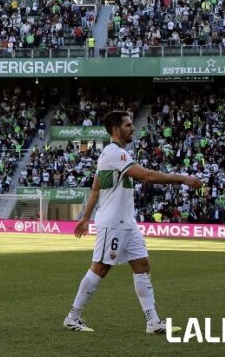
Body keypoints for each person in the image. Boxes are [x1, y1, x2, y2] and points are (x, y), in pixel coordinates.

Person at [63, 110, 203, 334]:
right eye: (128, 125)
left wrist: (85, 217)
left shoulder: (112, 155)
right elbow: (146, 176)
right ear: (117, 129)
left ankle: (152, 321)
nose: (133, 128)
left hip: (127, 222)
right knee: (100, 268)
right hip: (113, 223)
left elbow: (96, 188)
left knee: (142, 265)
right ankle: (72, 317)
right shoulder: (114, 153)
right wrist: (182, 178)